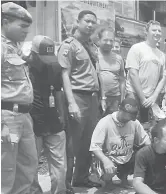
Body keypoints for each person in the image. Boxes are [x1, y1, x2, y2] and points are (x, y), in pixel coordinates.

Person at [58, 10, 105, 190]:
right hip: (77, 97)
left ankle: (81, 178)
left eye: (93, 22)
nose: (90, 25)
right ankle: (66, 182)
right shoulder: (68, 45)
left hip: (92, 99)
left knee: (89, 141)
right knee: (72, 143)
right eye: (87, 21)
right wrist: (71, 103)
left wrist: (101, 98)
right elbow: (64, 75)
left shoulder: (91, 45)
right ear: (77, 22)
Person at [1, 3, 37, 194]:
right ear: (5, 22)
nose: (26, 31)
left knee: (27, 166)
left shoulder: (15, 48)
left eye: (27, 27)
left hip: (23, 116)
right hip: (7, 117)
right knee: (5, 170)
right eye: (22, 26)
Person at [27, 35, 67, 194]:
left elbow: (58, 92)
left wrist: (62, 114)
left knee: (59, 164)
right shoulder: (23, 67)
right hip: (32, 121)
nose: (47, 61)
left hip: (53, 120)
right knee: (30, 164)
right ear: (33, 53)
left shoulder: (55, 66)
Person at [90, 97, 151, 190]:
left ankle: (124, 178)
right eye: (128, 115)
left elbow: (146, 141)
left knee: (145, 152)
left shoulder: (134, 122)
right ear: (119, 108)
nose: (129, 118)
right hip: (109, 158)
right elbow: (94, 147)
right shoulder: (105, 122)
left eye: (132, 116)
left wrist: (152, 157)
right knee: (108, 168)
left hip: (127, 157)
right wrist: (105, 160)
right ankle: (107, 182)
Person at [125, 20, 166, 124]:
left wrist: (154, 96)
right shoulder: (136, 48)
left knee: (148, 126)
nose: (157, 33)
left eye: (159, 31)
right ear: (146, 32)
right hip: (134, 94)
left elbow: (163, 77)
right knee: (131, 124)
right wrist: (142, 98)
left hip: (151, 97)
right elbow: (133, 74)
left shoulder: (161, 54)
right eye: (154, 30)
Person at [98, 28, 126, 115]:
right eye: (105, 40)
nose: (109, 43)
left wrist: (122, 98)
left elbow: (122, 79)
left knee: (112, 124)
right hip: (97, 98)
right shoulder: (93, 55)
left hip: (115, 98)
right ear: (99, 40)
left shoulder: (118, 58)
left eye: (111, 40)